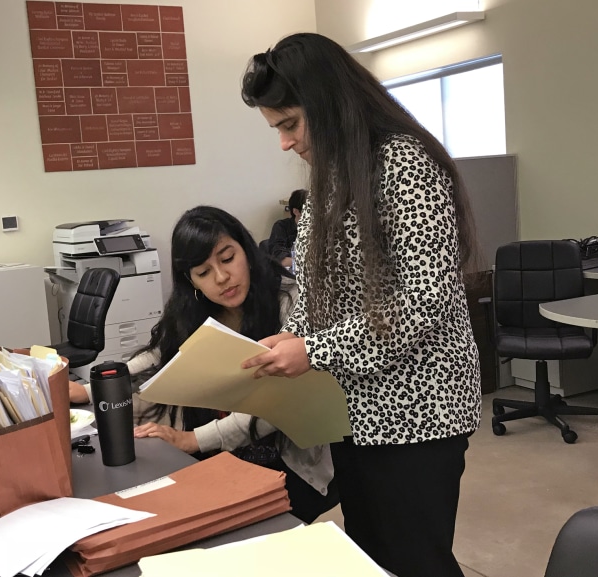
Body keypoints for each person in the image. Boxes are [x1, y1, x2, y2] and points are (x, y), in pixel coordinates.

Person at [239, 33, 482, 577]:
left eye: (290, 124)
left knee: (416, 558)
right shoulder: (334, 174)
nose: (284, 143)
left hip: (420, 413)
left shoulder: (405, 165)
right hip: (355, 411)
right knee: (371, 555)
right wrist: (294, 333)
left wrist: (317, 350)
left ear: (329, 107)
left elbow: (424, 301)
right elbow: (320, 286)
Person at [70, 205, 338, 524]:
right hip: (220, 455)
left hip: (285, 462)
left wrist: (193, 440)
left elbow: (277, 405)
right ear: (192, 281)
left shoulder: (288, 302)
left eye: (227, 259)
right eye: (203, 272)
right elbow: (159, 355)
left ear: (246, 249)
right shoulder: (194, 310)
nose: (221, 277)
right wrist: (90, 391)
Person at [267, 188, 307, 268]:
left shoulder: (319, 229)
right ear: (296, 211)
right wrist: (304, 262)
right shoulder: (281, 226)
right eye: (308, 210)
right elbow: (278, 258)